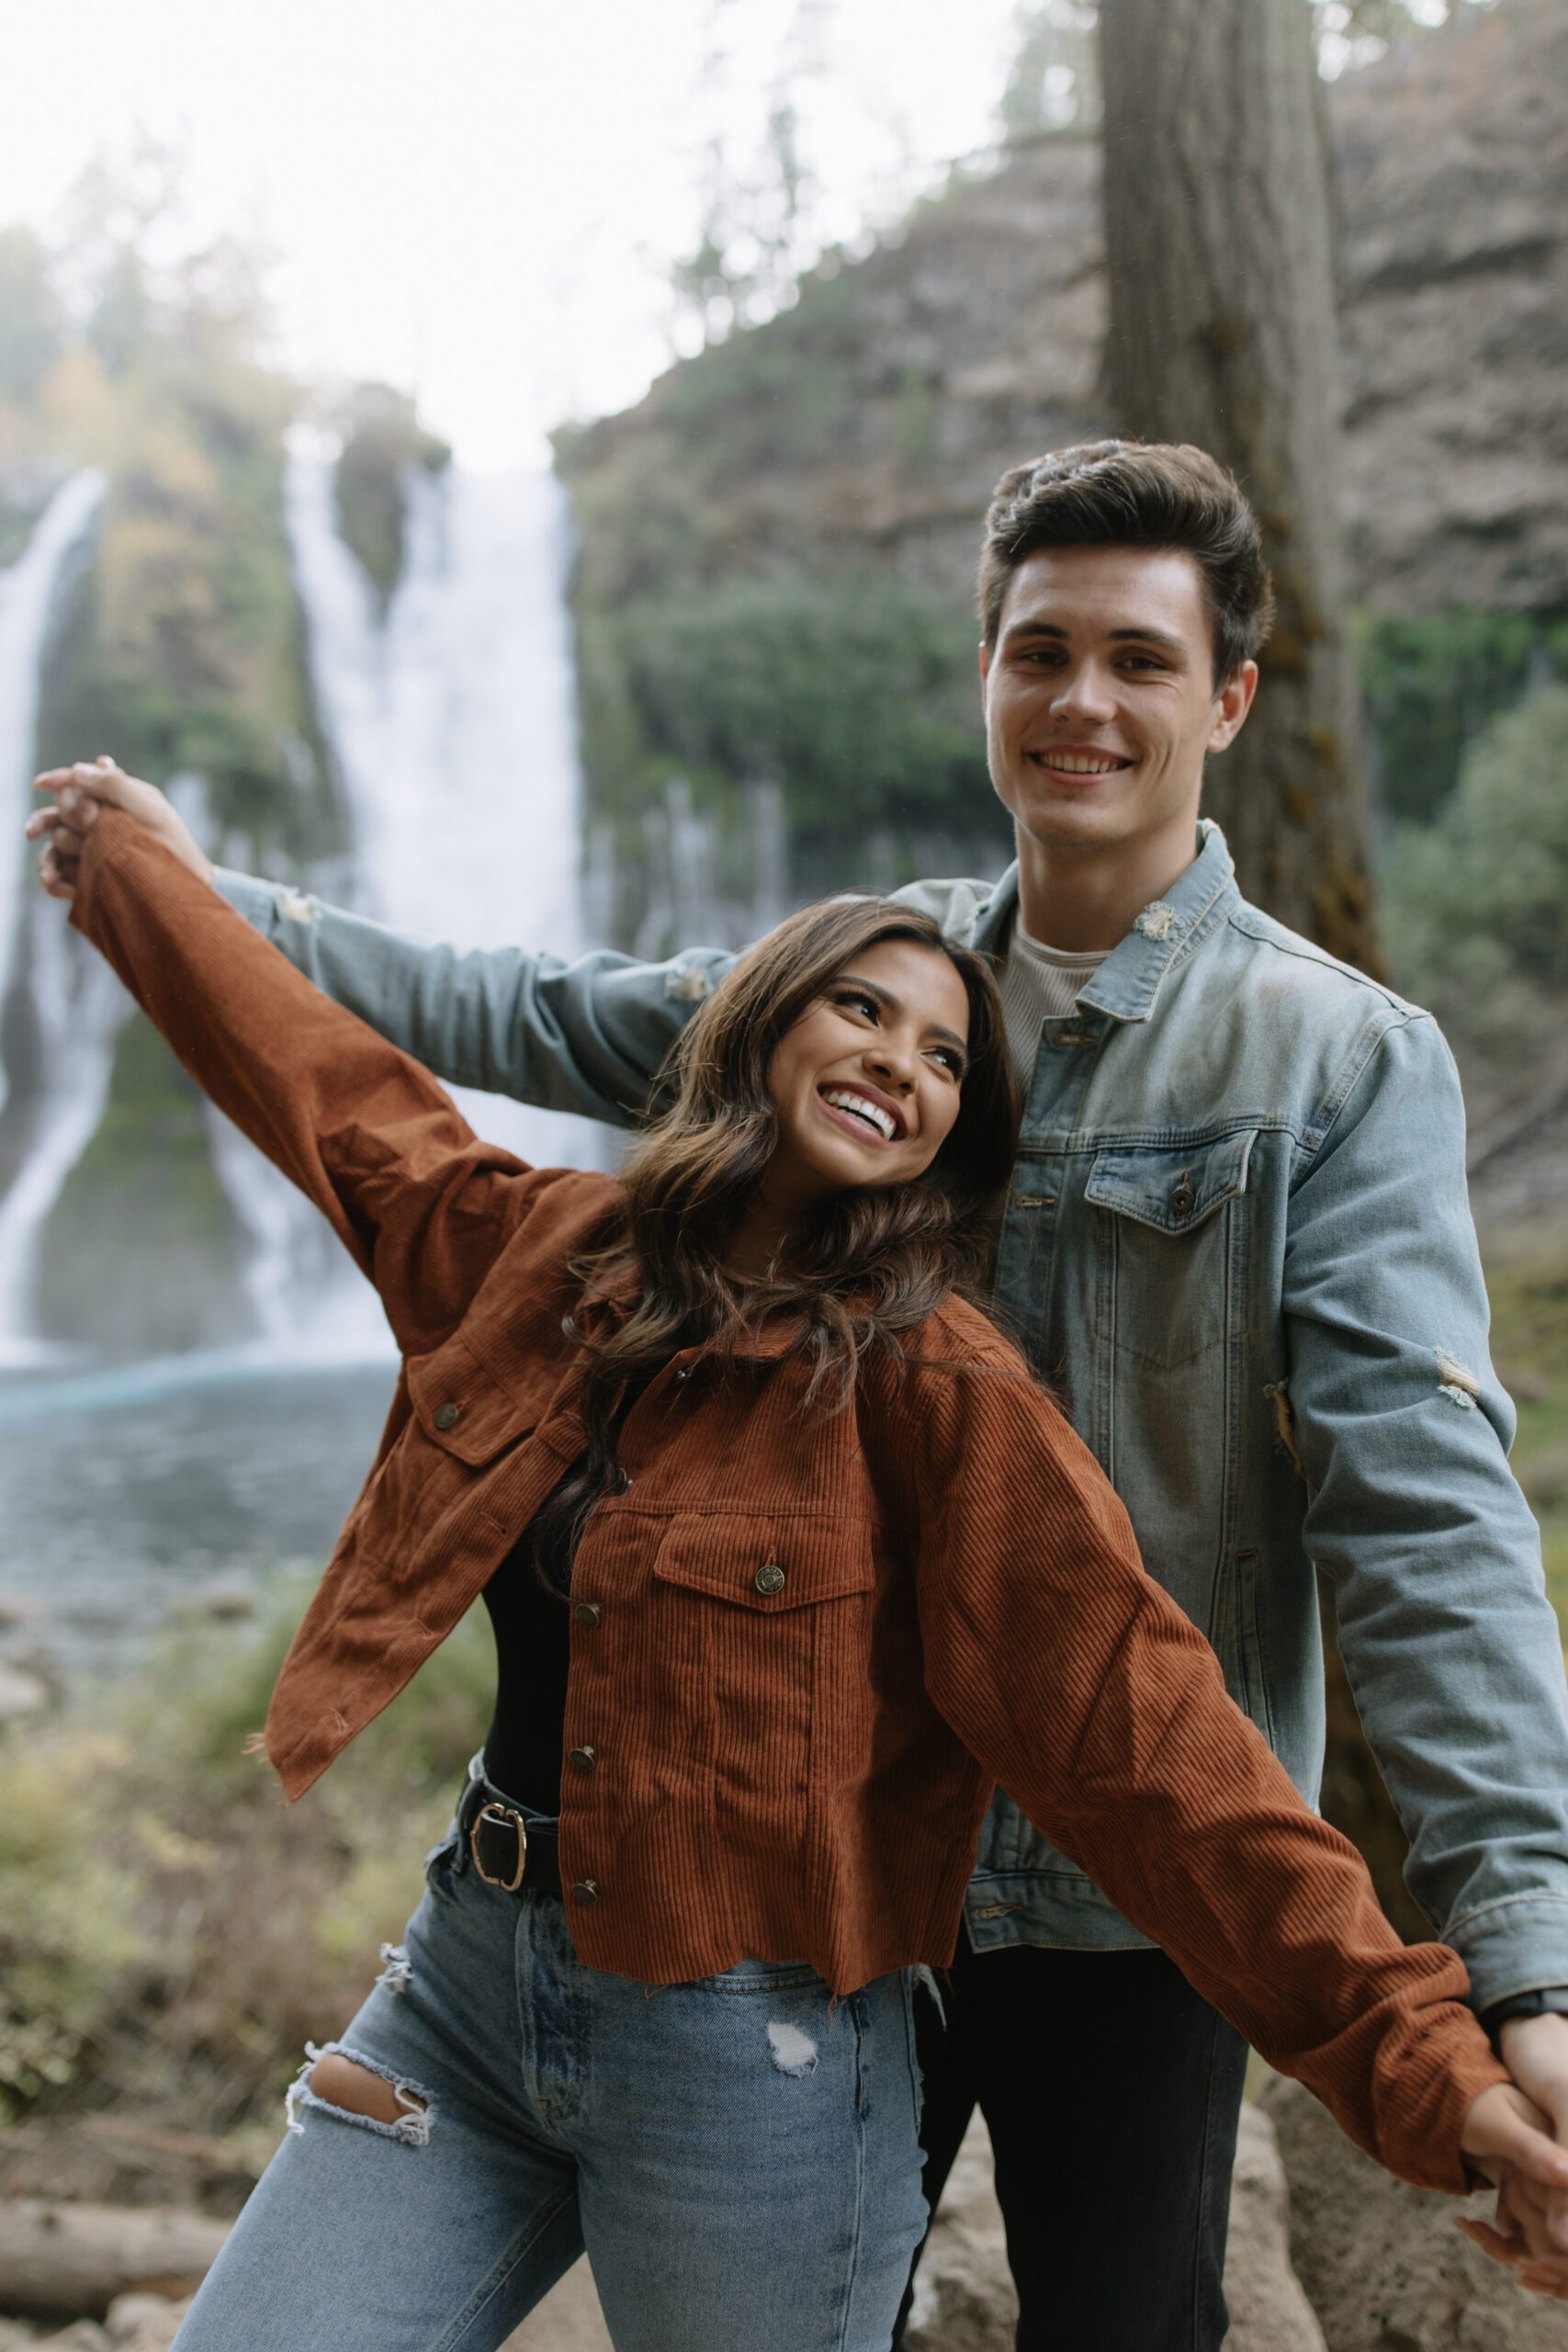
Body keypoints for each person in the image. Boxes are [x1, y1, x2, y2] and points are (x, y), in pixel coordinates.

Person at [31, 437, 1568, 2335]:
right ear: (986, 673)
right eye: (1038, 648)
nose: (1080, 698)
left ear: (1227, 697)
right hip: (797, 1865)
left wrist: (1511, 1964)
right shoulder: (844, 988)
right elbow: (460, 1043)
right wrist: (175, 893)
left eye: (1140, 660)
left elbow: (1417, 1509)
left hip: (1118, 1879)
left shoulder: (1327, 1064)